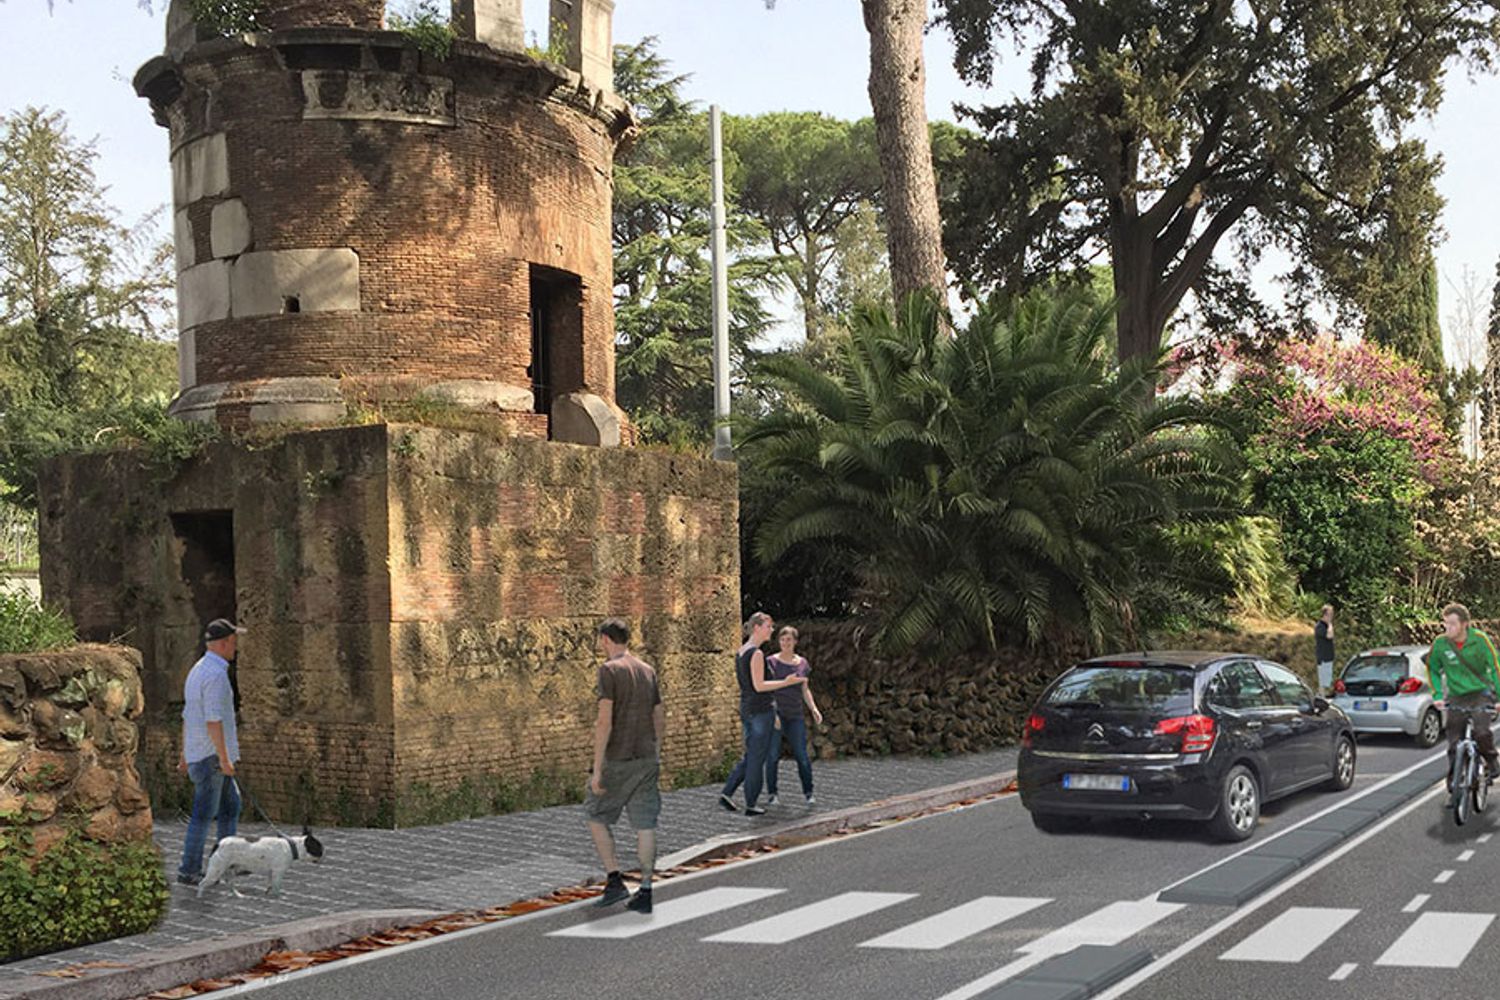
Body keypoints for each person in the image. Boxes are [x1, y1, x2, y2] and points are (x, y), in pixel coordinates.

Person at [584, 618, 664, 914]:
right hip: (646, 758)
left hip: (618, 758)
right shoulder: (648, 670)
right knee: (646, 825)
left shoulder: (609, 671)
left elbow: (604, 721)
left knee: (595, 813)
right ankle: (645, 890)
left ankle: (615, 879)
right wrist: (657, 751)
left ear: (606, 639)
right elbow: (659, 715)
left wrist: (597, 768)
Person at [177, 617, 244, 886]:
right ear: (225, 642)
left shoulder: (198, 669)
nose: (236, 647)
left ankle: (226, 862)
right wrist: (225, 758)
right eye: (234, 641)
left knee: (231, 806)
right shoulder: (216, 676)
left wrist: (184, 754)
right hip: (211, 758)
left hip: (201, 754)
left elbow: (188, 715)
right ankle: (189, 869)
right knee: (203, 814)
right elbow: (213, 720)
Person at [718, 612, 805, 817]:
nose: (772, 630)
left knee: (751, 754)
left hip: (748, 708)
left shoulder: (741, 651)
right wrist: (786, 682)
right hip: (759, 711)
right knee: (757, 758)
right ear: (756, 628)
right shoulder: (756, 654)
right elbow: (759, 685)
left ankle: (728, 792)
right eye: (768, 626)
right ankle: (751, 804)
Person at [1428, 603, 1500, 786]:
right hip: (1456, 695)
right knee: (1453, 743)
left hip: (1480, 693)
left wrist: (1499, 698)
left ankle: (1491, 761)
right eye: (1445, 623)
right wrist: (1437, 696)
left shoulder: (1480, 640)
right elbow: (1433, 669)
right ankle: (1456, 777)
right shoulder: (1440, 643)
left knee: (1482, 733)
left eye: (1452, 624)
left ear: (1464, 624)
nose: (1447, 628)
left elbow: (1495, 668)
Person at [764, 626, 822, 806]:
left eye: (789, 640)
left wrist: (813, 708)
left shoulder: (802, 664)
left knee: (802, 756)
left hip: (795, 715)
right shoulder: (771, 662)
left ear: (795, 642)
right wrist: (773, 713)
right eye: (782, 640)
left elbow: (805, 689)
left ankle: (808, 792)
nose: (785, 643)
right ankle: (772, 794)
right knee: (772, 756)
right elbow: (765, 690)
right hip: (776, 715)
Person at [1314, 604, 1336, 694]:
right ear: (1325, 615)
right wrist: (1330, 625)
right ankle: (1322, 697)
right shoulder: (1320, 626)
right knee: (1323, 682)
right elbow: (1330, 635)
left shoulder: (1326, 626)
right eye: (1330, 614)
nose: (1331, 617)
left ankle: (1324, 697)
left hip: (1328, 658)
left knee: (1327, 680)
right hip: (1323, 658)